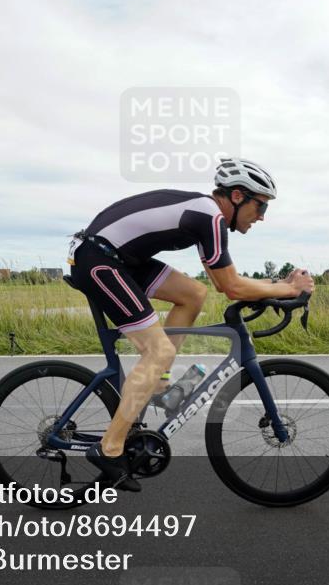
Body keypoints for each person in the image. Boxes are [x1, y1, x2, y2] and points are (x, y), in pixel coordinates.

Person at [67, 158, 314, 490]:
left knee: (192, 294)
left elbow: (220, 282)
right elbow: (232, 287)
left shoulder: (206, 215)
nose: (262, 216)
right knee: (158, 351)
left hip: (120, 258)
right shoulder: (208, 216)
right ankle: (109, 449)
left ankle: (159, 387)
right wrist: (289, 290)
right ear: (238, 196)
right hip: (99, 260)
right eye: (260, 206)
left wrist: (276, 285)